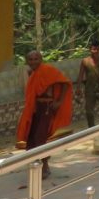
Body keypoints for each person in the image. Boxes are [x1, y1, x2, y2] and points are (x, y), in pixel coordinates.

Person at [16, 50, 74, 179]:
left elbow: (65, 83)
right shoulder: (31, 73)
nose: (33, 62)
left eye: (36, 59)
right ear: (27, 61)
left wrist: (59, 101)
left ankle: (45, 166)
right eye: (30, 59)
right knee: (31, 138)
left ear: (41, 59)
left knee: (40, 137)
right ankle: (36, 165)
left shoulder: (48, 70)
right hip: (35, 109)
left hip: (47, 108)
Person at [78, 40, 99, 127]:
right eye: (94, 49)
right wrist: (78, 88)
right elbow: (80, 75)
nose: (96, 51)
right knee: (89, 111)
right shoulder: (85, 61)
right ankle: (92, 129)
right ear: (90, 50)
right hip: (89, 89)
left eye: (98, 49)